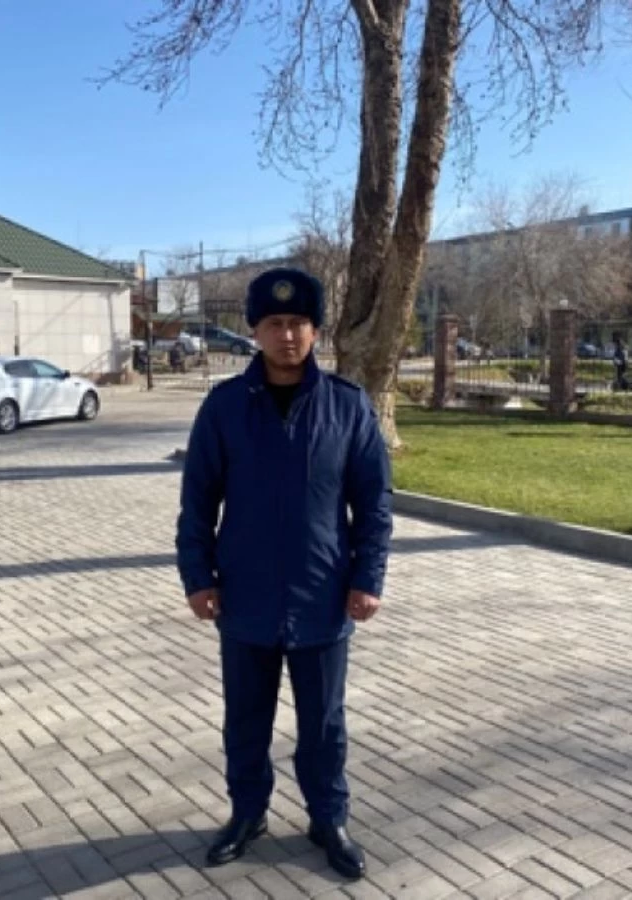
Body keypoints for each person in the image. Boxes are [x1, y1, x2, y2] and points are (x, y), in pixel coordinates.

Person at [176, 266, 393, 880]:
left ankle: (329, 819)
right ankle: (248, 814)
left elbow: (374, 504)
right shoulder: (224, 408)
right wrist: (197, 576)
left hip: (323, 596)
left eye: (299, 322)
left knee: (324, 724)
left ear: (316, 330)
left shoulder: (348, 407)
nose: (288, 335)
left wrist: (368, 578)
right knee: (246, 721)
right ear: (255, 330)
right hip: (244, 596)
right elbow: (198, 501)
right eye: (275, 323)